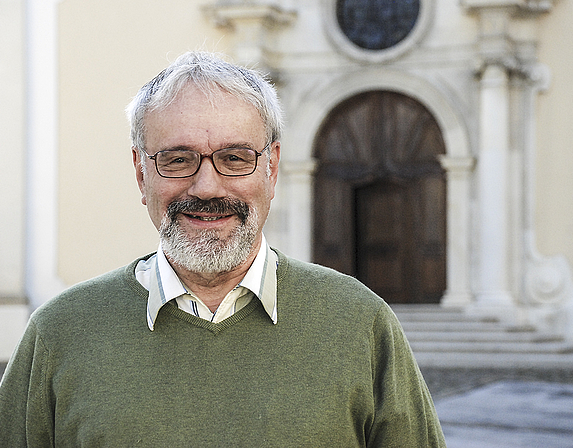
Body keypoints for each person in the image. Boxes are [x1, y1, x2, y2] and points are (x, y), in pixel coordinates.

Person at [0, 51, 446, 447]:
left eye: (235, 158)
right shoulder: (60, 334)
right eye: (177, 159)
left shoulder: (360, 324)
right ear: (141, 174)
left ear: (271, 170)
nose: (207, 186)